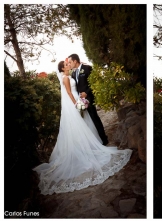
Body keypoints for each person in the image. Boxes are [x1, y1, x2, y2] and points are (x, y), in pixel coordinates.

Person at [33, 59, 132, 195]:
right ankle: (81, 150)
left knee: (84, 125)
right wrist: (76, 104)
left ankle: (88, 146)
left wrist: (81, 98)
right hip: (72, 103)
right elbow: (68, 93)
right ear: (62, 69)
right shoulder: (66, 78)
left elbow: (76, 89)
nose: (68, 65)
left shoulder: (71, 75)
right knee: (77, 126)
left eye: (68, 63)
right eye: (66, 65)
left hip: (77, 99)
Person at [68, 53, 109, 145]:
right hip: (80, 101)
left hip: (89, 98)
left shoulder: (87, 68)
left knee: (94, 118)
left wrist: (86, 92)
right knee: (87, 120)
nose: (69, 64)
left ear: (75, 61)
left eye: (70, 62)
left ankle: (104, 139)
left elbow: (94, 83)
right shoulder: (74, 73)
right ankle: (95, 140)